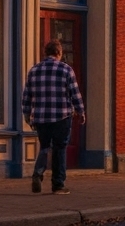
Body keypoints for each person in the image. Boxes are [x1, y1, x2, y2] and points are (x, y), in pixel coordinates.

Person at [22, 41, 85, 194]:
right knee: (60, 148)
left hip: (41, 117)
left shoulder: (34, 70)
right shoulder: (66, 70)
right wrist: (81, 112)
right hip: (61, 116)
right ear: (59, 53)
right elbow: (75, 94)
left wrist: (27, 114)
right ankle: (58, 185)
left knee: (45, 146)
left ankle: (38, 173)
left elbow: (27, 95)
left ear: (45, 53)